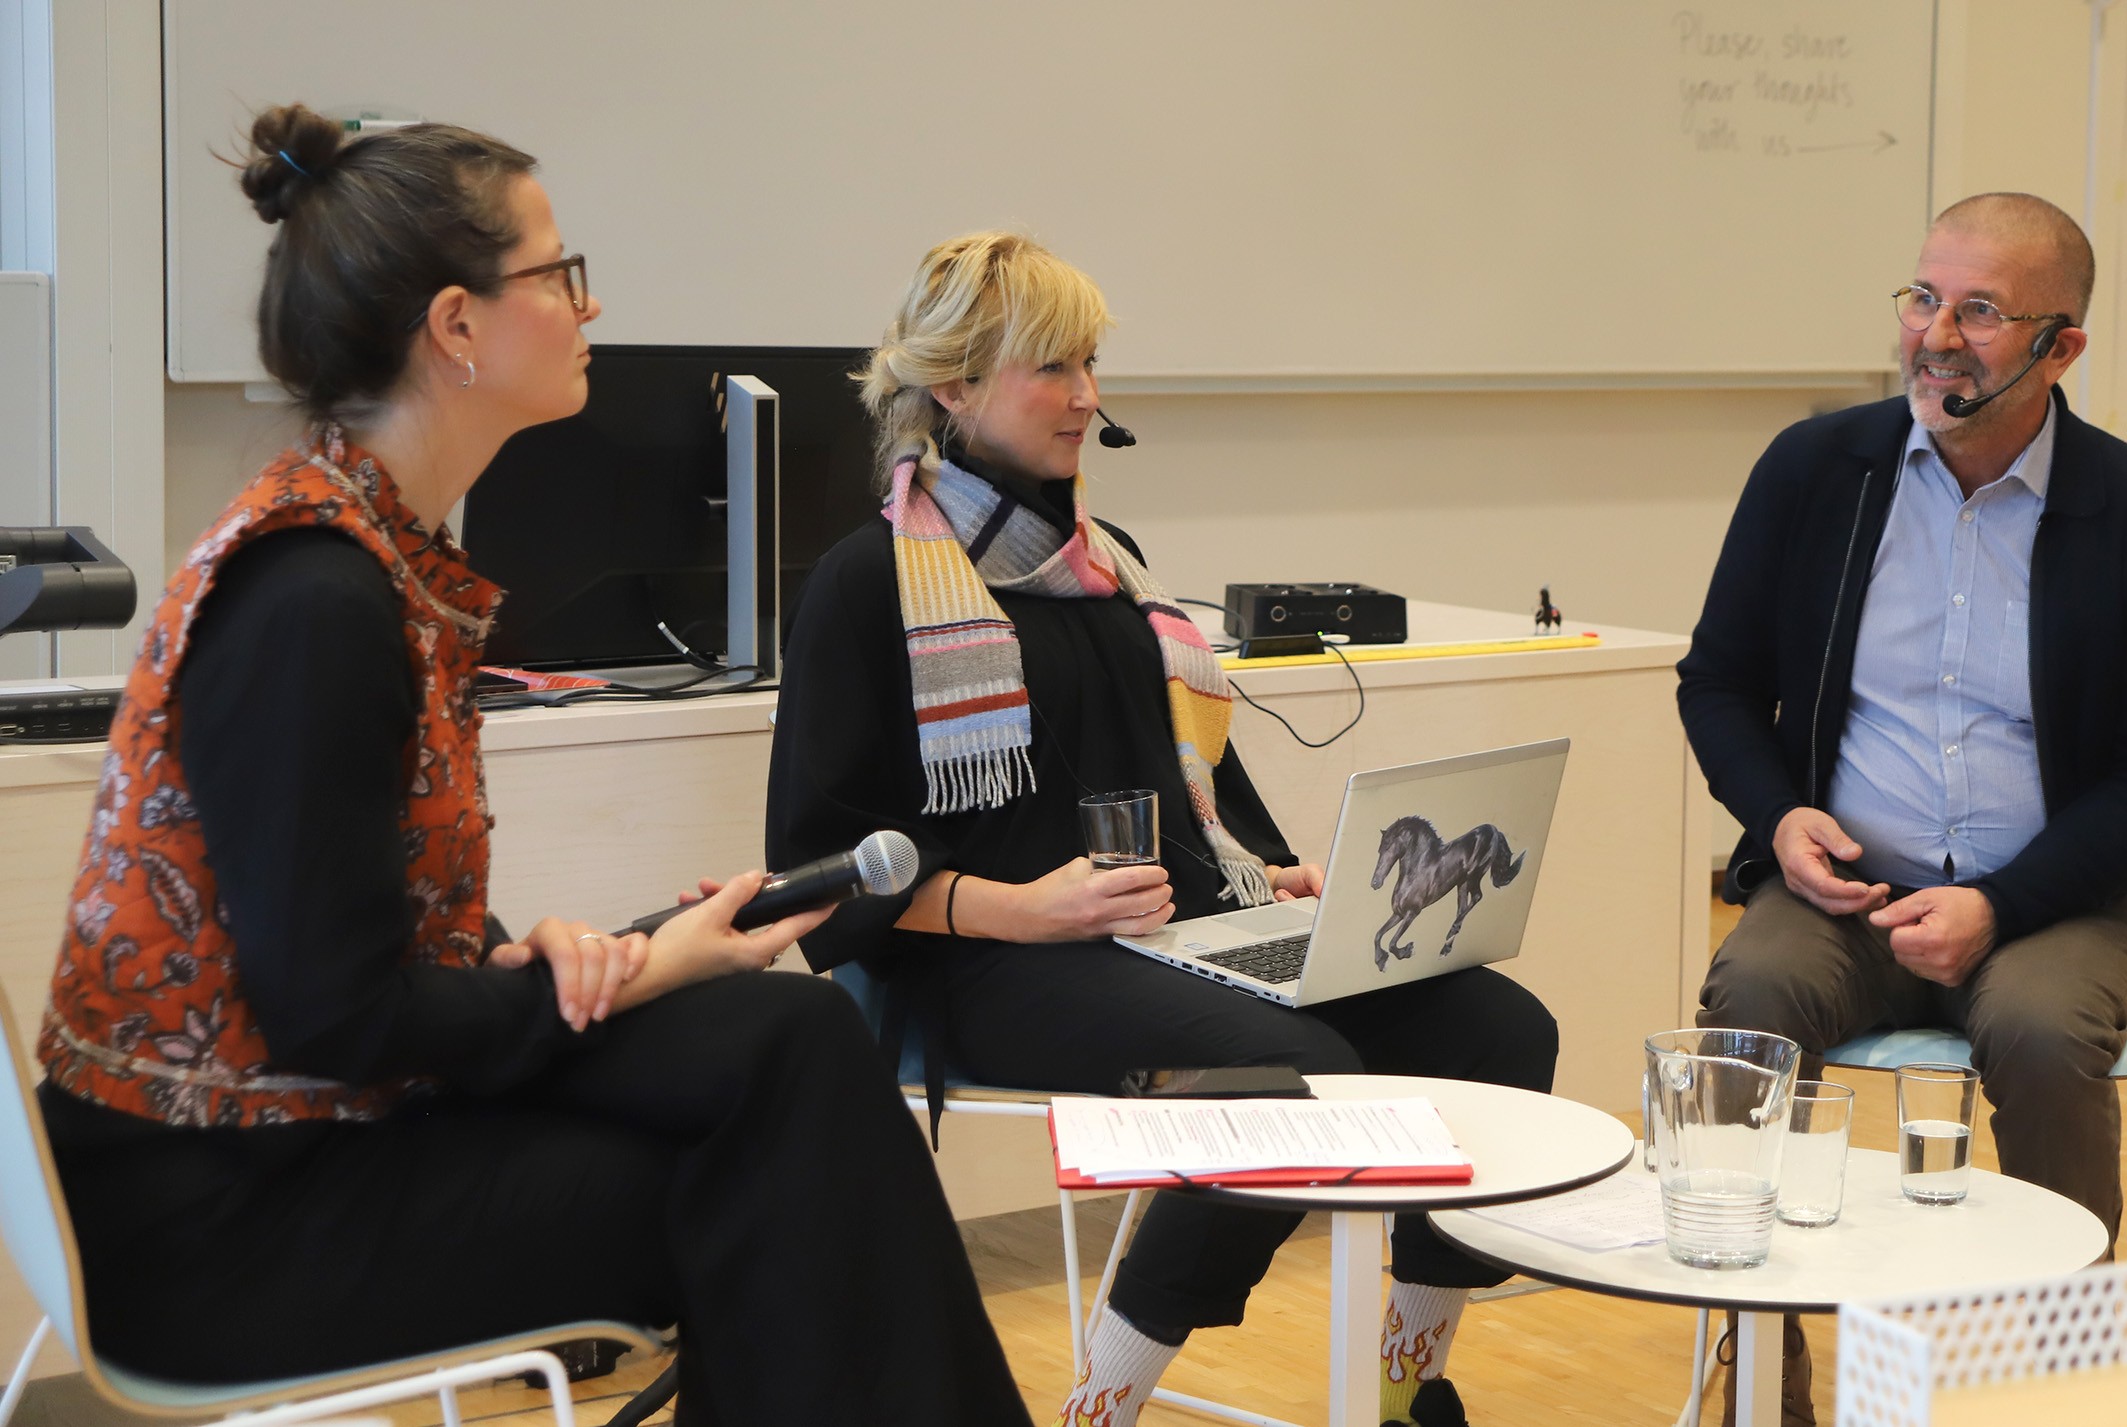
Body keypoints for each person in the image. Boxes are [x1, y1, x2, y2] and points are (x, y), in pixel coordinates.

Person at [35, 105, 1027, 1426]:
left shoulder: (361, 554)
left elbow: (361, 946)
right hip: (220, 1225)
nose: (589, 298)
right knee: (777, 1150)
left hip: (296, 1147)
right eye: (559, 273)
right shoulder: (312, 603)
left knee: (783, 1040)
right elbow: (339, 1013)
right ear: (456, 326)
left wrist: (581, 960)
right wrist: (634, 972)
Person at [765, 232, 1560, 1427]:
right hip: (987, 970)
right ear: (953, 386)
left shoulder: (1110, 568)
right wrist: (1023, 908)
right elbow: (818, 875)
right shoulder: (863, 582)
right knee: (1282, 1081)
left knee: (1501, 1027)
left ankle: (1408, 1387)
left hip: (1176, 943)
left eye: (1090, 364)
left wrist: (1274, 875)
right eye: (1054, 368)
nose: (1088, 397)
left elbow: (1195, 787)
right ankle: (1100, 1404)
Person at [1677, 192, 2127, 1423]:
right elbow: (1718, 680)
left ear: (2061, 346)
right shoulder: (1817, 470)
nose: (1936, 334)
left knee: (2038, 1033)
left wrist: (1997, 903)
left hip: (2048, 900)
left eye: (1981, 310)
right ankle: (1762, 1382)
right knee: (1748, 1002)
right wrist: (1777, 819)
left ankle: (2058, 1382)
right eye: (1923, 297)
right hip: (1841, 890)